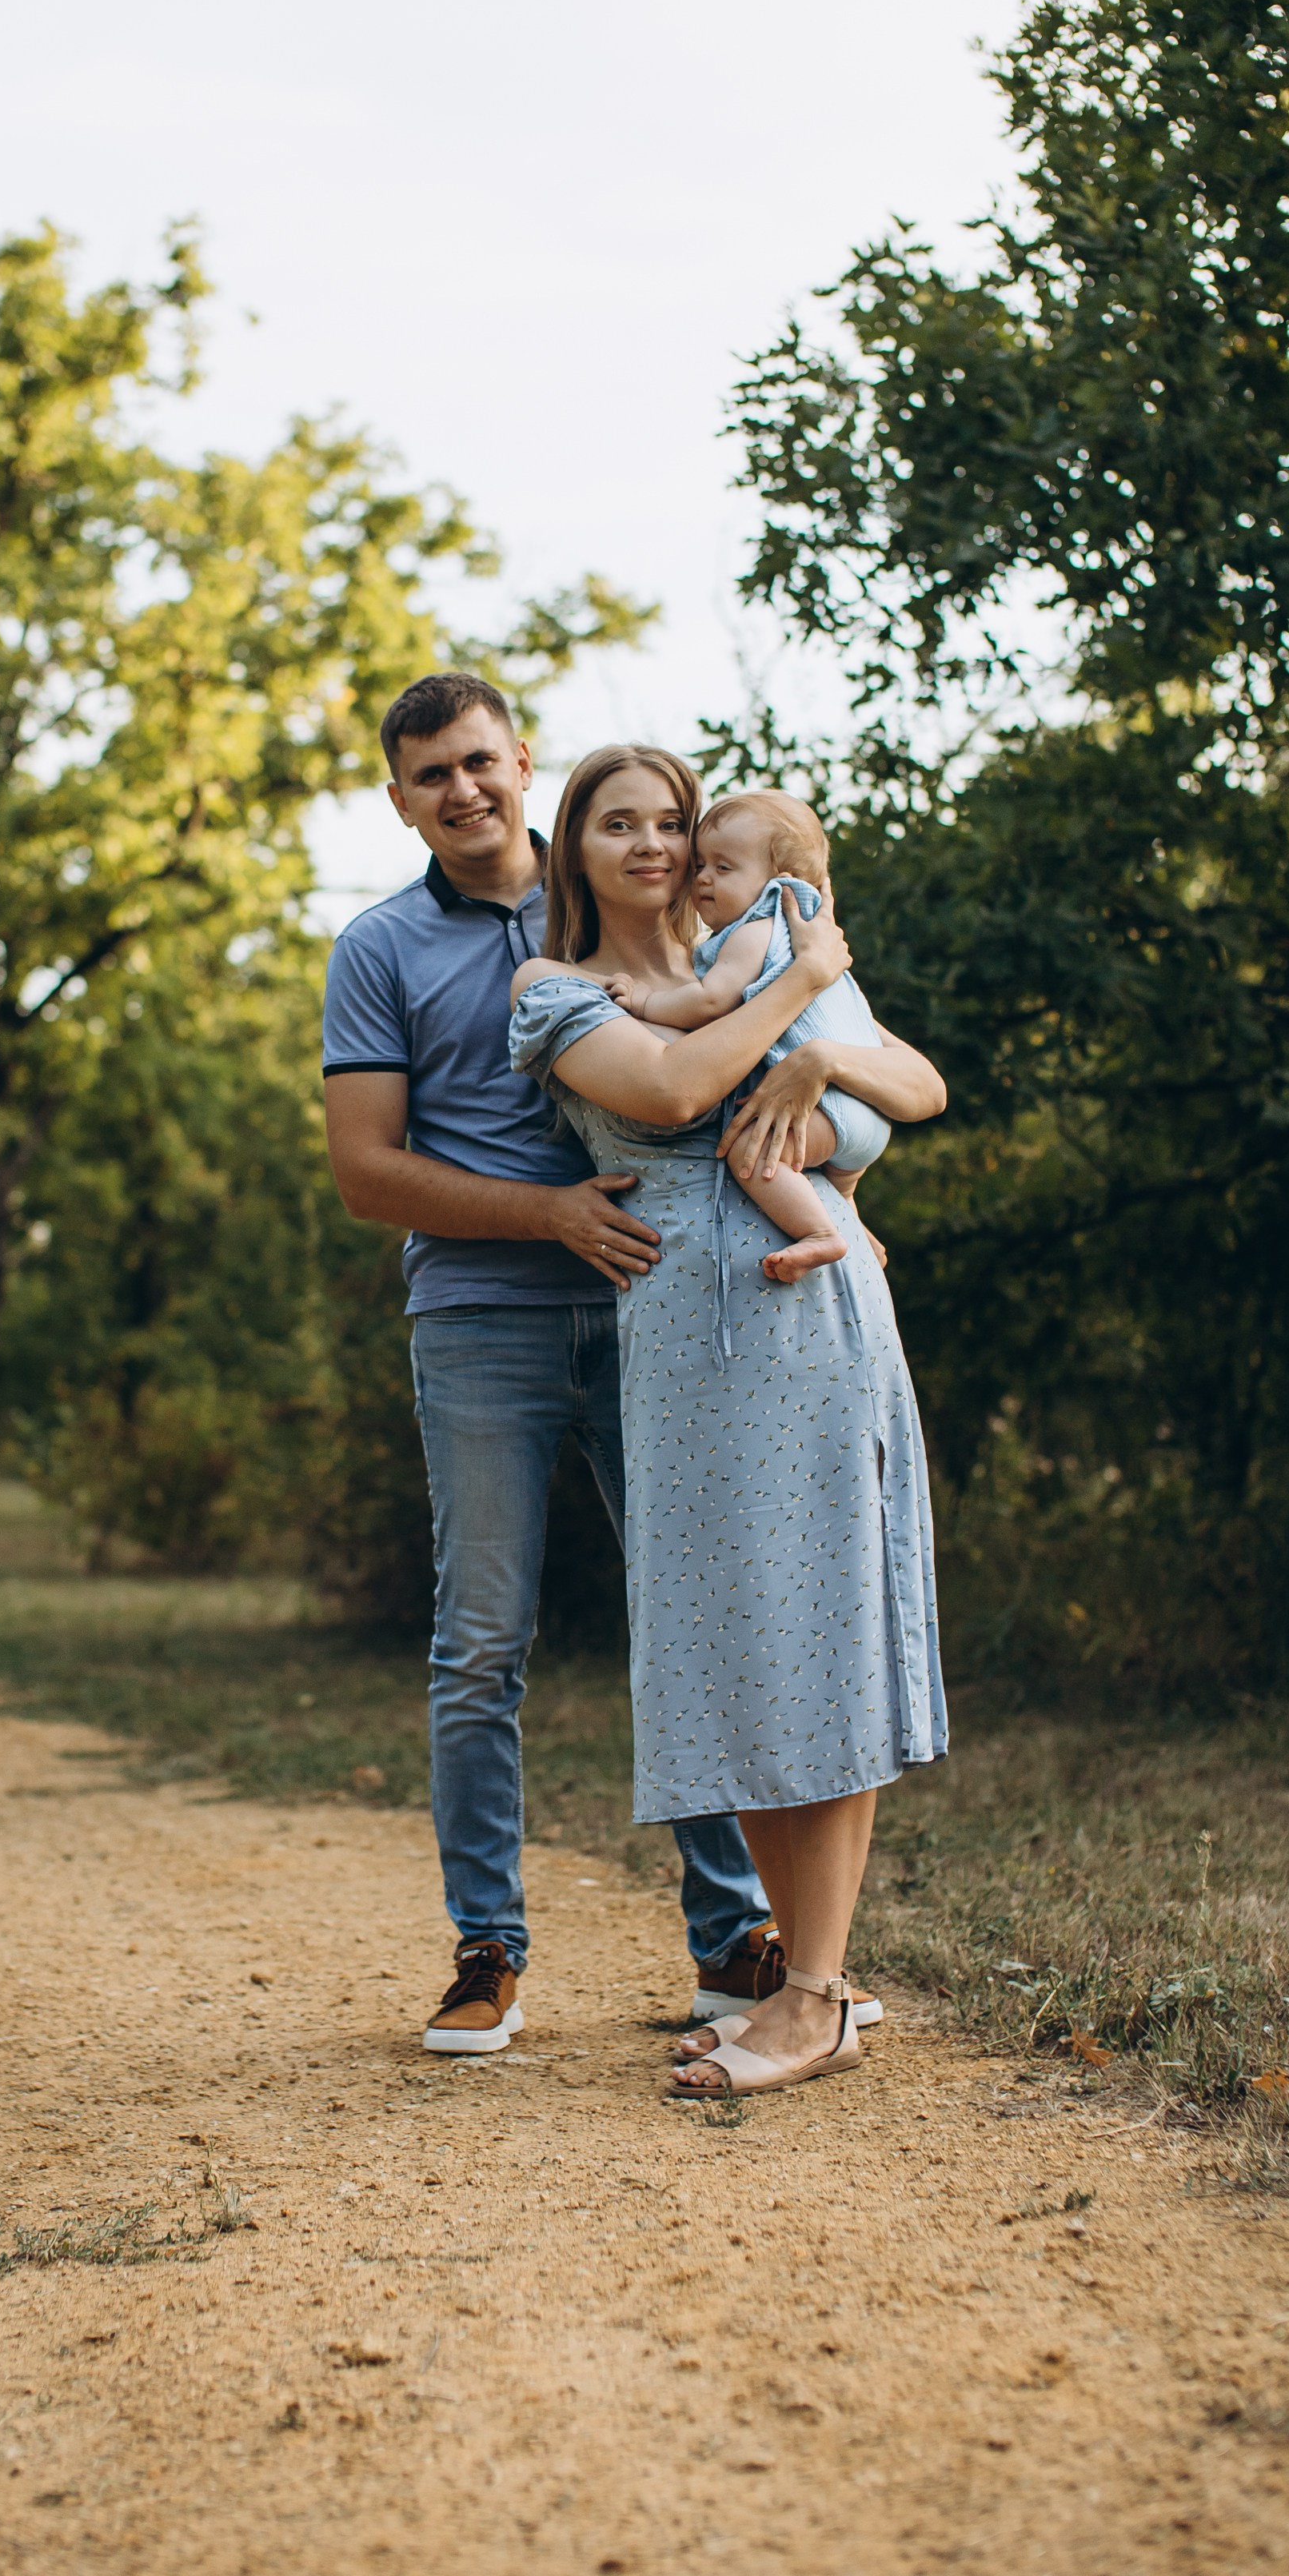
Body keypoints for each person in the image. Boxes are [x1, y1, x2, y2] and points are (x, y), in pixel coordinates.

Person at [321, 673, 780, 2052]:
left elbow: (754, 1047)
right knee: (481, 1645)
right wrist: (549, 1216)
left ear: (523, 762)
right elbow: (364, 1173)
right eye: (427, 777)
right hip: (482, 1320)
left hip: (652, 1304)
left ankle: (734, 1942)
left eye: (477, 763)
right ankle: (488, 1951)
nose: (460, 791)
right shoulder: (378, 949)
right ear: (399, 800)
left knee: (693, 1614)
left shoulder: (617, 898)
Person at [509, 744, 949, 2095]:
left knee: (821, 1626)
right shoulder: (556, 990)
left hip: (807, 1329)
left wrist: (827, 1073)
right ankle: (796, 1983)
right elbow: (675, 1093)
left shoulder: (766, 958)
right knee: (730, 1644)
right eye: (619, 825)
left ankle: (812, 1995)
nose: (653, 847)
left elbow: (919, 1089)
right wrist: (812, 1006)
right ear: (572, 851)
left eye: (674, 824)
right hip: (685, 1347)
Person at [604, 788, 891, 1282]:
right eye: (700, 866)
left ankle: (822, 1234)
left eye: (724, 868)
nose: (703, 879)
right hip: (866, 1108)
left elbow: (713, 1002)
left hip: (828, 1110)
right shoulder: (803, 941)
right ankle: (848, 1214)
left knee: (750, 1150)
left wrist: (644, 1002)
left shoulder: (757, 930)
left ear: (779, 883)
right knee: (833, 1181)